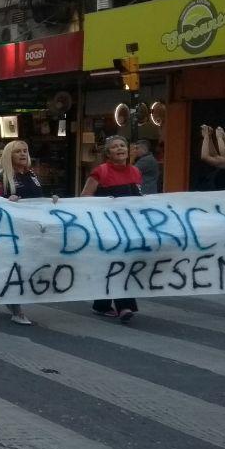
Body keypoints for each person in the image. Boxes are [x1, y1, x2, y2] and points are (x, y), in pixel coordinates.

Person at [0, 140, 54, 326]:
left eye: (25, 150)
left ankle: (10, 298)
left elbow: (37, 198)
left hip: (32, 228)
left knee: (27, 266)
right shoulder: (0, 178)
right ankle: (16, 309)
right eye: (18, 151)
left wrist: (51, 201)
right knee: (15, 267)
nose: (23, 154)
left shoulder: (31, 174)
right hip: (11, 231)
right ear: (9, 155)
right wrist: (6, 201)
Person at [82, 135, 142, 321]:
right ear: (108, 153)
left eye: (122, 145)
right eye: (115, 147)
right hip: (107, 227)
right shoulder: (100, 171)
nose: (120, 149)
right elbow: (85, 197)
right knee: (118, 263)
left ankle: (101, 305)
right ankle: (125, 306)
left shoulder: (135, 171)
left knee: (116, 264)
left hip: (129, 227)